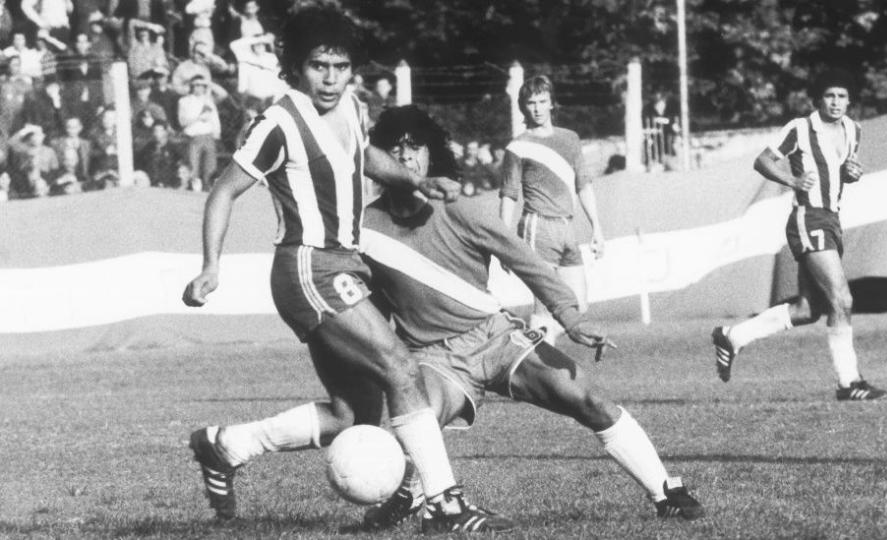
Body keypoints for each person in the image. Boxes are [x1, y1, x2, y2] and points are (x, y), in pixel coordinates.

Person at [180, 7, 513, 533]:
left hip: (345, 267)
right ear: (295, 66)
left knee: (353, 414)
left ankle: (225, 446)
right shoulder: (279, 122)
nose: (331, 78)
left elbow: (365, 158)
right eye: (319, 66)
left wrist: (415, 180)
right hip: (309, 267)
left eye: (340, 66)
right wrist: (210, 265)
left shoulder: (353, 107)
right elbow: (223, 191)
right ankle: (444, 503)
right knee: (400, 366)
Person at [357, 105, 704, 531]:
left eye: (416, 147)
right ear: (380, 162)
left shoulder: (459, 210)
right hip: (434, 359)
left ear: (432, 156)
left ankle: (665, 491)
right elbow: (367, 307)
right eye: (396, 149)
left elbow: (527, 262)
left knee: (587, 398)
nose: (407, 158)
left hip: (496, 338)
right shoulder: (365, 229)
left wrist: (571, 317)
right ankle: (411, 497)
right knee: (416, 425)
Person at [711, 68, 887, 401]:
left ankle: (732, 336)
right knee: (843, 299)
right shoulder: (800, 128)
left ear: (850, 100)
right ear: (819, 99)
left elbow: (844, 172)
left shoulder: (853, 129)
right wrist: (791, 181)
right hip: (809, 218)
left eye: (842, 96)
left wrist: (853, 173)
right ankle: (849, 382)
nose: (835, 103)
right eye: (829, 96)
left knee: (808, 310)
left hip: (832, 219)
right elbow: (762, 161)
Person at [499, 75, 605, 344]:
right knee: (545, 305)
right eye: (531, 103)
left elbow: (584, 185)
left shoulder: (570, 139)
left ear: (552, 104)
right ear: (524, 107)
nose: (536, 108)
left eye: (542, 101)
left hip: (567, 227)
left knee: (578, 306)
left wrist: (597, 228)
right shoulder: (518, 146)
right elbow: (509, 195)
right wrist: (502, 240)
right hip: (538, 226)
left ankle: (527, 345)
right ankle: (539, 371)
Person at [177, 74, 219, 190]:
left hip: (208, 136)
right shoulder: (184, 101)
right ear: (191, 86)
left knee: (210, 167)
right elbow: (182, 121)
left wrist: (216, 133)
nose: (198, 88)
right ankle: (194, 189)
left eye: (201, 85)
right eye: (195, 85)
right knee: (193, 166)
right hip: (193, 137)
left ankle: (208, 188)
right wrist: (198, 118)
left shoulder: (209, 100)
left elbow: (215, 118)